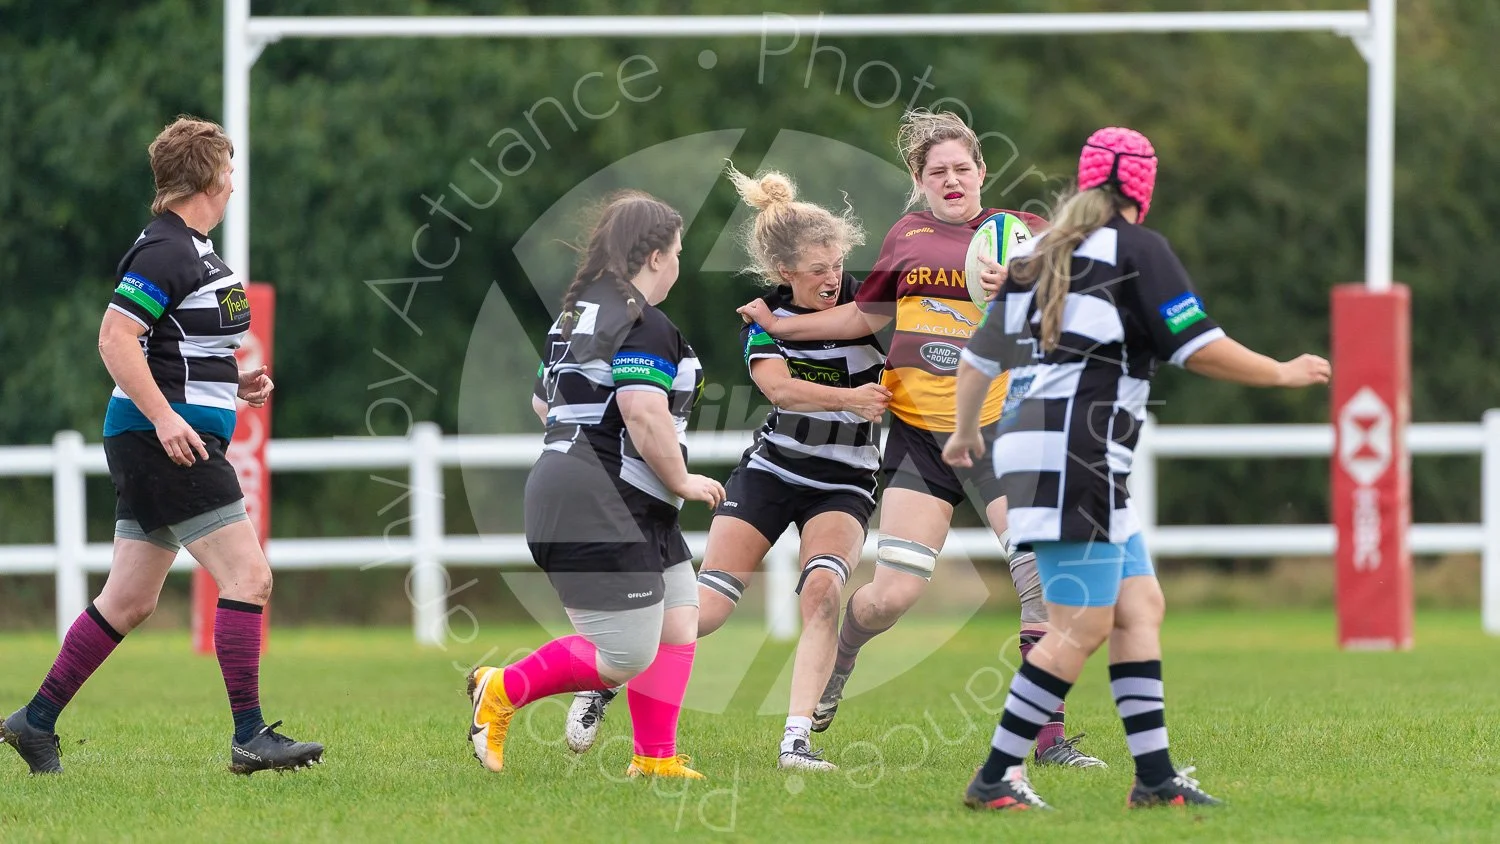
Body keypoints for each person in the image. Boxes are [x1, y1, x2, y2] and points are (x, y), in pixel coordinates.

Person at [947, 126, 1331, 810]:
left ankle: (1154, 778)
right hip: (1077, 452)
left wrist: (962, 435)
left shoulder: (1042, 254)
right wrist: (1281, 372)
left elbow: (980, 357)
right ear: (1142, 188)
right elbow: (1197, 345)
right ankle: (995, 776)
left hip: (1047, 445)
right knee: (1080, 627)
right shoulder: (1138, 250)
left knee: (1139, 606)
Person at [737, 109, 1103, 767]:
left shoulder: (1024, 235)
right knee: (891, 595)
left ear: (982, 172)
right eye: (939, 171)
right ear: (919, 178)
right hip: (922, 439)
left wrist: (1026, 286)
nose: (953, 178)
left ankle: (1046, 741)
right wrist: (781, 329)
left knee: (1039, 580)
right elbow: (863, 314)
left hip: (1002, 431)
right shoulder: (907, 236)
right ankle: (843, 657)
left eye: (963, 168)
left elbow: (1078, 301)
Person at [0, 116, 323, 776]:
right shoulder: (164, 250)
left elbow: (171, 346)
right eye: (228, 170)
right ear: (206, 176)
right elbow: (115, 339)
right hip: (165, 440)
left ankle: (33, 724)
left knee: (129, 600)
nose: (234, 183)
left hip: (165, 431)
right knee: (249, 577)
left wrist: (234, 380)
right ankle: (249, 736)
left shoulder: (193, 250)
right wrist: (167, 419)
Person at [564, 166, 890, 771]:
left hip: (845, 480)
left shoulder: (866, 304)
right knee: (705, 612)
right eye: (816, 269)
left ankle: (796, 742)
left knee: (822, 592)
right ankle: (606, 677)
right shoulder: (760, 320)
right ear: (783, 273)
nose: (832, 278)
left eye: (837, 263)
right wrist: (851, 398)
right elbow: (781, 391)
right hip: (772, 472)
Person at [467, 191, 724, 780]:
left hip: (610, 495)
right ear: (656, 256)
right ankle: (501, 689)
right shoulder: (644, 321)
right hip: (602, 500)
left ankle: (654, 759)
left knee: (679, 621)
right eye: (679, 253)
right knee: (624, 655)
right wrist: (679, 477)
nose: (680, 264)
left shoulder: (576, 314)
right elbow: (640, 408)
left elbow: (543, 402)